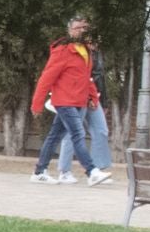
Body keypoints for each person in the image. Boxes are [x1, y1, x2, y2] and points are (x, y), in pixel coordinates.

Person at [29, 13, 114, 185]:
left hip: (79, 101)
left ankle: (39, 171)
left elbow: (86, 77)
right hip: (64, 101)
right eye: (78, 28)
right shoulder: (63, 51)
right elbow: (46, 78)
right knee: (77, 133)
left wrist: (92, 97)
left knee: (54, 136)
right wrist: (37, 103)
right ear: (70, 31)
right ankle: (92, 172)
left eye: (85, 28)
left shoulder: (86, 51)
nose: (82, 30)